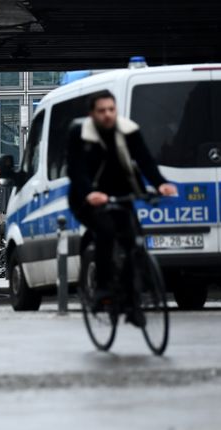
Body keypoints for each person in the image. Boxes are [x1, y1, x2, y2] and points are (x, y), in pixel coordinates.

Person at [67, 90, 177, 310]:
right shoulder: (79, 132)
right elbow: (76, 169)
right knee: (106, 231)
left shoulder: (128, 130)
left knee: (133, 241)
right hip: (87, 198)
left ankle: (131, 298)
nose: (107, 115)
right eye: (101, 111)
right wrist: (90, 193)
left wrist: (160, 183)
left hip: (120, 192)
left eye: (111, 109)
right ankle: (102, 289)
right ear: (92, 114)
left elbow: (145, 159)